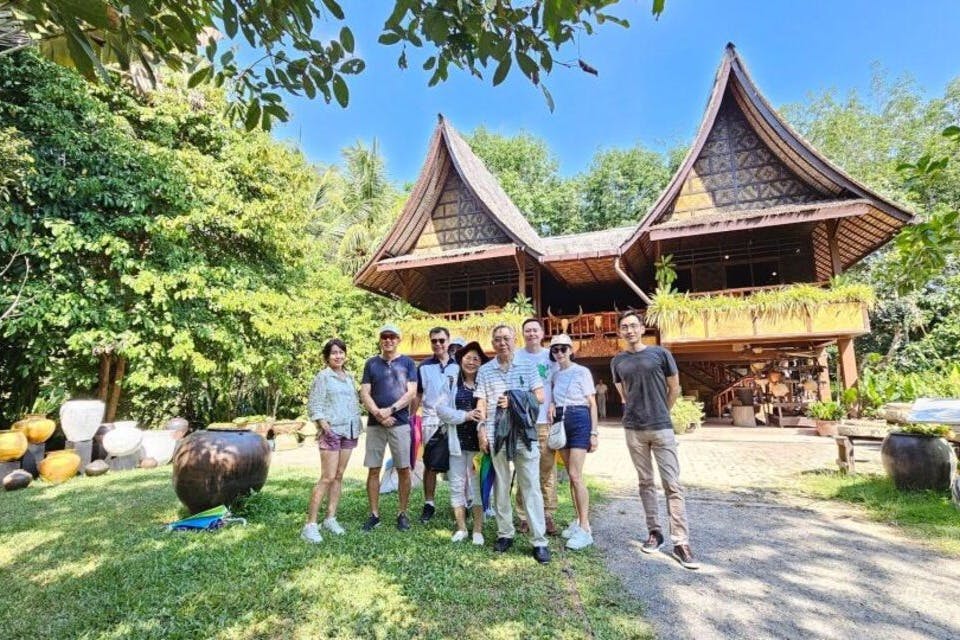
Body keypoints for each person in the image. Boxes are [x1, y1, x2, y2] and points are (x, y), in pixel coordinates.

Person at [611, 311, 699, 569]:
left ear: (642, 328)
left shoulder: (661, 354)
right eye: (624, 327)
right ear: (620, 331)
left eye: (633, 325)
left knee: (672, 484)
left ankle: (681, 541)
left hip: (661, 427)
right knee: (645, 482)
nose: (629, 330)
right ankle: (655, 532)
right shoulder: (617, 361)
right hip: (633, 429)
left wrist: (663, 411)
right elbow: (624, 393)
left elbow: (674, 388)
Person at [475, 324, 550, 564]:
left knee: (530, 486)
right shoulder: (486, 370)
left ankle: (539, 541)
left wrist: (514, 397)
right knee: (501, 486)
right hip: (495, 434)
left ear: (514, 340)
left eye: (506, 338)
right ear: (492, 342)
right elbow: (482, 403)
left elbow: (539, 397)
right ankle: (505, 533)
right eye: (497, 339)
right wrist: (481, 431)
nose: (502, 343)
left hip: (523, 434)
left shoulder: (527, 366)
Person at [302, 339, 363, 543]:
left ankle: (330, 518)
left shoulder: (349, 377)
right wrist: (325, 427)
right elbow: (314, 405)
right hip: (332, 431)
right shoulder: (323, 377)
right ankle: (310, 525)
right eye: (334, 353)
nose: (338, 356)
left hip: (350, 430)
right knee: (327, 477)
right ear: (327, 357)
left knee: (338, 475)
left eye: (341, 352)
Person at [359, 324, 418, 531]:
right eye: (384, 337)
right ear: (380, 340)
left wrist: (390, 410)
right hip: (376, 424)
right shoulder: (371, 363)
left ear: (398, 339)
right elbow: (365, 392)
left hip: (399, 423)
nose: (388, 340)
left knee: (404, 469)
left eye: (392, 337)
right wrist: (378, 414)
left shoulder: (408, 363)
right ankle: (374, 514)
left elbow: (411, 393)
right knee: (373, 469)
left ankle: (402, 513)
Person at [546, 334, 598, 550]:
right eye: (555, 350)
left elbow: (592, 403)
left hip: (579, 417)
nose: (559, 353)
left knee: (576, 476)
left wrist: (594, 432)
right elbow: (552, 397)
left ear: (571, 349)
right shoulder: (555, 374)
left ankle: (586, 528)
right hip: (561, 419)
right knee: (570, 475)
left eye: (563, 349)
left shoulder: (581, 371)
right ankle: (578, 520)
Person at [436, 341, 489, 544]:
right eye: (468, 357)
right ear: (460, 360)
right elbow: (440, 409)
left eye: (476, 358)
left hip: (478, 446)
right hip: (456, 443)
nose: (472, 362)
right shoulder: (450, 382)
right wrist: (466, 416)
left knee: (477, 488)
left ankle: (477, 530)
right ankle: (461, 528)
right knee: (457, 486)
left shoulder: (484, 384)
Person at [513, 318, 558, 535]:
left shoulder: (551, 356)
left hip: (545, 422)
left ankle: (547, 515)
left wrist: (555, 405)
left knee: (547, 471)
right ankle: (523, 515)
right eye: (527, 331)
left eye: (535, 330)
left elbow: (559, 382)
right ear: (523, 334)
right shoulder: (517, 356)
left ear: (542, 333)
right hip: (523, 422)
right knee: (524, 470)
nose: (531, 334)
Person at [416, 326, 458, 523]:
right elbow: (417, 395)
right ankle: (429, 503)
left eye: (442, 340)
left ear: (448, 341)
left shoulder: (458, 365)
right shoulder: (423, 367)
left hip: (456, 420)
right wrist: (411, 420)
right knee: (430, 464)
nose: (438, 344)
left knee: (460, 463)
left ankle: (460, 502)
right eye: (434, 341)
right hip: (431, 420)